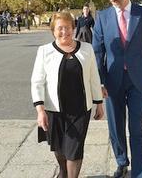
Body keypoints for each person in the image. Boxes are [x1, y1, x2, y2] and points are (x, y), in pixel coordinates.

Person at [92, 0, 142, 177]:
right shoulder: (102, 16)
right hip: (112, 82)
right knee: (116, 126)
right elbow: (97, 51)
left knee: (136, 127)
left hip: (138, 80)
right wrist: (100, 82)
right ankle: (122, 162)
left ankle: (139, 172)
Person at [31, 11, 104, 178]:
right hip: (53, 110)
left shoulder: (86, 49)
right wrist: (40, 111)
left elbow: (94, 77)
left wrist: (98, 103)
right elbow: (37, 81)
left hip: (80, 109)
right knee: (59, 149)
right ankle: (63, 171)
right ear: (53, 31)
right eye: (60, 28)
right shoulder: (44, 51)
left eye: (68, 28)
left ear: (74, 28)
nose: (64, 32)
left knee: (74, 150)